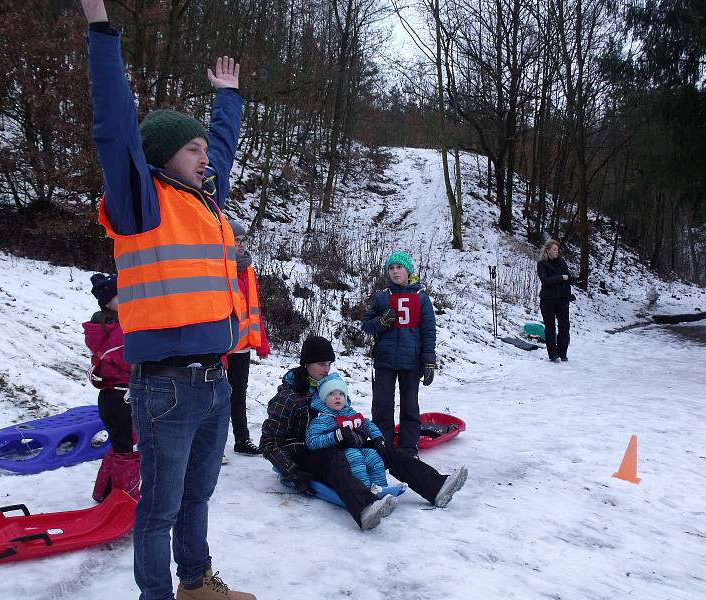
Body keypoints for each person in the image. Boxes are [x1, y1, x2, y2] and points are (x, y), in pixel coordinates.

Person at [80, 1, 255, 599]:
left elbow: (223, 152)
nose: (207, 160)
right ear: (160, 160)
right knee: (158, 509)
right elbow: (114, 126)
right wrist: (102, 32)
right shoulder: (141, 201)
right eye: (193, 151)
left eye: (206, 151)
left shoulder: (204, 203)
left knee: (198, 496)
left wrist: (226, 100)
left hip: (216, 379)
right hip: (166, 385)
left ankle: (197, 583)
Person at [259, 336, 467, 531]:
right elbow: (268, 443)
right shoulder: (287, 398)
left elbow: (348, 418)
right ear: (306, 364)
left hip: (336, 442)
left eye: (329, 364)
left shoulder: (329, 388)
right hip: (304, 452)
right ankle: (364, 508)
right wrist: (292, 470)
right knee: (335, 459)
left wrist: (360, 437)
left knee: (385, 448)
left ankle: (436, 486)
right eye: (321, 364)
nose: (327, 369)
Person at [361, 251, 436, 457]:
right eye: (391, 268)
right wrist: (380, 323)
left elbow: (428, 331)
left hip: (411, 360)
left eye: (399, 268)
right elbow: (366, 325)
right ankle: (381, 444)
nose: (395, 272)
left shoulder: (421, 298)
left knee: (410, 405)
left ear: (408, 270)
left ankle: (408, 447)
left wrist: (429, 359)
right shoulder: (382, 297)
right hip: (385, 360)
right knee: (382, 404)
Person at [83, 273, 139, 502]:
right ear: (108, 302)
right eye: (120, 295)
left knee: (121, 444)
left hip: (112, 395)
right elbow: (131, 361)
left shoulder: (108, 327)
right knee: (126, 449)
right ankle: (126, 497)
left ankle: (104, 491)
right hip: (120, 396)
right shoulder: (117, 331)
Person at [225, 219, 270, 456]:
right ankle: (213, 446)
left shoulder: (248, 270)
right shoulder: (218, 266)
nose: (241, 245)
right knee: (217, 398)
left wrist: (261, 342)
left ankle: (242, 439)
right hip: (221, 346)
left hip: (242, 346)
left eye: (243, 240)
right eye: (236, 240)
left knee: (238, 394)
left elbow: (255, 308)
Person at [306, 373, 388, 489]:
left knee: (372, 455)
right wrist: (335, 436)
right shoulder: (323, 419)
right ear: (323, 398)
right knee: (355, 457)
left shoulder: (350, 414)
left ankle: (380, 488)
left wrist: (378, 438)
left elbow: (367, 424)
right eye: (331, 394)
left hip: (356, 449)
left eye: (341, 394)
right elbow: (312, 441)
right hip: (336, 456)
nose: (337, 397)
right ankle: (363, 491)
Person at [537, 239, 575, 362]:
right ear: (547, 251)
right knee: (550, 327)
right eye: (554, 249)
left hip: (562, 298)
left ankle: (562, 353)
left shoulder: (562, 262)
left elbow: (568, 277)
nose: (556, 252)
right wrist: (560, 278)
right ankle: (553, 355)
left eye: (557, 250)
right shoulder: (542, 264)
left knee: (564, 326)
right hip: (548, 300)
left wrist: (571, 279)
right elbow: (546, 281)